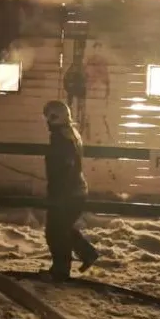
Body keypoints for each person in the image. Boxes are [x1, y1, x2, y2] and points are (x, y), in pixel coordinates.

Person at [41, 100, 99, 281]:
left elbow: (64, 167)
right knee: (63, 227)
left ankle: (61, 270)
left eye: (49, 117)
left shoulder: (61, 138)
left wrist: (58, 194)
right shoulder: (71, 133)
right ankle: (87, 253)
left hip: (66, 192)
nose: (47, 121)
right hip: (75, 189)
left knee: (55, 231)